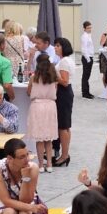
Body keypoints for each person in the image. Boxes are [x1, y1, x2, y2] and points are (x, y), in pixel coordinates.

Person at [27, 54, 59, 173]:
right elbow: (55, 91)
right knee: (49, 138)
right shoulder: (54, 78)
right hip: (50, 106)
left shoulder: (34, 77)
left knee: (39, 138)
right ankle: (49, 164)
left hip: (37, 106)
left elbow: (29, 92)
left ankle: (40, 164)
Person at [52, 37, 76, 166]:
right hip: (65, 93)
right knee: (65, 125)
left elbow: (65, 81)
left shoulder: (64, 62)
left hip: (63, 92)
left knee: (63, 126)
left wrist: (53, 75)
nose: (55, 48)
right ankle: (65, 153)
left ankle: (64, 155)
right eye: (55, 45)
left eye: (58, 46)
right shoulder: (66, 60)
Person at [80, 20, 95, 99]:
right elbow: (84, 49)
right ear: (84, 29)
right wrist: (88, 59)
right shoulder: (84, 36)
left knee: (87, 76)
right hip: (87, 58)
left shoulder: (88, 35)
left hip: (89, 57)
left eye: (90, 28)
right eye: (88, 28)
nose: (90, 29)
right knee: (85, 76)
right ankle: (85, 93)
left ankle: (87, 92)